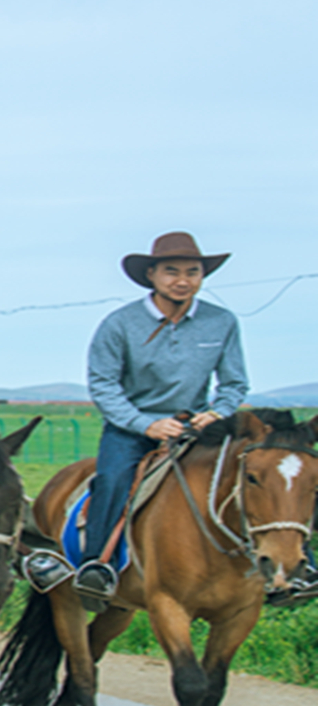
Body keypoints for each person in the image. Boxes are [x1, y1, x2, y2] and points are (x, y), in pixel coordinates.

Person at [75, 232, 257, 604]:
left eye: (193, 271)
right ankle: (97, 569)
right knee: (111, 481)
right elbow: (104, 385)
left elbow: (234, 383)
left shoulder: (221, 322)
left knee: (260, 473)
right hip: (133, 428)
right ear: (152, 276)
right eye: (171, 271)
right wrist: (146, 424)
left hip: (195, 427)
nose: (182, 280)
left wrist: (217, 414)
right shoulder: (120, 324)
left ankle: (293, 568)